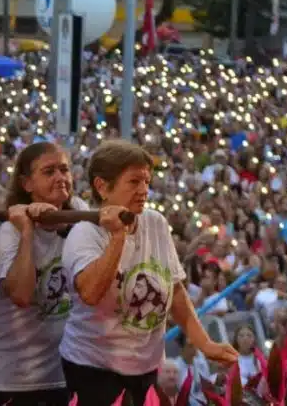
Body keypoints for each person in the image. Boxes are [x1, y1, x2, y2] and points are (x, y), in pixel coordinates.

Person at [60, 140, 237, 406]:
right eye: (134, 182)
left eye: (147, 181)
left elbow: (174, 290)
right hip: (94, 370)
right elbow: (91, 292)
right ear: (102, 186)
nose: (144, 190)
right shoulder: (84, 234)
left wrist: (205, 343)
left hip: (147, 368)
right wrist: (118, 237)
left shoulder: (155, 223)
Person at [0, 142, 87, 406]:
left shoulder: (81, 214)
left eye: (64, 169)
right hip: (18, 374)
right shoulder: (10, 231)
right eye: (49, 171)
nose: (60, 177)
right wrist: (28, 231)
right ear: (27, 184)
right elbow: (21, 294)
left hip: (68, 366)